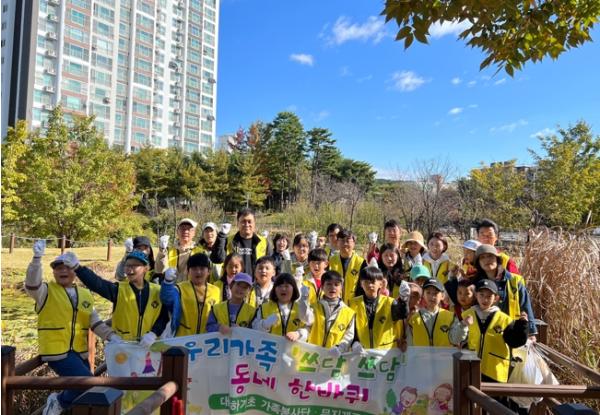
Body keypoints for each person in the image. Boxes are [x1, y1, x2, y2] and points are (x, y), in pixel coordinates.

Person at [25, 241, 118, 415]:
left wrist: (112, 336)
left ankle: (62, 403)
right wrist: (36, 260)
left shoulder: (85, 294)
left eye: (67, 267)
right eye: (58, 268)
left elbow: (95, 322)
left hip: (79, 352)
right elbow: (31, 284)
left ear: (75, 271)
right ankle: (59, 401)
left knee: (84, 391)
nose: (63, 271)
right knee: (88, 383)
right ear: (53, 272)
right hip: (57, 351)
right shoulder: (45, 291)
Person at [68, 250, 169, 345]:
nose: (129, 269)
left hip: (149, 346)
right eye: (127, 265)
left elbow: (164, 316)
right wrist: (78, 268)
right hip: (123, 346)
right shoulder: (119, 289)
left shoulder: (158, 291)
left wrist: (153, 333)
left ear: (146, 268)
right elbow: (97, 284)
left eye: (134, 265)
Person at [462, 279, 529, 384]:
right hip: (471, 369)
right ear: (476, 295)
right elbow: (458, 339)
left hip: (495, 372)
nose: (485, 299)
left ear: (496, 298)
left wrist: (522, 325)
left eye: (489, 296)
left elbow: (515, 341)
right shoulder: (467, 315)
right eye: (481, 295)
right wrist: (463, 325)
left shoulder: (504, 319)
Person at [474, 244, 537, 340]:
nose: (487, 260)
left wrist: (531, 332)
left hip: (510, 332)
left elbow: (525, 306)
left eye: (490, 256)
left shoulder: (514, 280)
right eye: (482, 257)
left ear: (497, 259)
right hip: (484, 335)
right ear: (478, 263)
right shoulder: (475, 282)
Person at [160, 253, 220, 337]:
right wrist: (167, 282)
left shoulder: (216, 291)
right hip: (183, 339)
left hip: (207, 340)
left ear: (209, 271)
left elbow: (219, 315)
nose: (198, 272)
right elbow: (167, 298)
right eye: (194, 269)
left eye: (202, 268)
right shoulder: (179, 289)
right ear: (188, 271)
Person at [349, 266, 409, 350]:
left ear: (380, 284)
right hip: (362, 352)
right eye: (366, 282)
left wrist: (403, 300)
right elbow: (350, 329)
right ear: (361, 284)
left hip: (386, 353)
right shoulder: (352, 304)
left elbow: (402, 314)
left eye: (373, 281)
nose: (370, 285)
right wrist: (354, 343)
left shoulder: (390, 302)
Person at [306, 270, 356, 353]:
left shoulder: (349, 313)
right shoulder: (313, 308)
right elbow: (306, 328)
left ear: (341, 288)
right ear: (322, 287)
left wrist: (340, 348)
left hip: (334, 357)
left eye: (336, 285)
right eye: (329, 284)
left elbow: (349, 336)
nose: (333, 287)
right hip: (312, 355)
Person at [211, 208, 272, 275]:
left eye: (249, 221)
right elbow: (217, 259)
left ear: (254, 223)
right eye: (243, 221)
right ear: (237, 223)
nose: (246, 224)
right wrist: (221, 236)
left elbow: (270, 266)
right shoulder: (227, 241)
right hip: (233, 281)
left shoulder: (264, 242)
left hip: (256, 281)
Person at [407, 278, 465, 347]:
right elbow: (409, 342)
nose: (432, 296)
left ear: (442, 296)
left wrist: (463, 325)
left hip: (443, 354)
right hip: (420, 354)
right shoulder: (414, 318)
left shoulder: (450, 317)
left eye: (435, 293)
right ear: (423, 294)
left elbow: (455, 339)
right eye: (428, 292)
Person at [252, 273, 310, 342]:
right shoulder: (264, 307)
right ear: (274, 289)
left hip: (293, 348)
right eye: (279, 286)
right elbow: (254, 329)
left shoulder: (301, 308)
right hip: (270, 347)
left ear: (293, 289)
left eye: (287, 286)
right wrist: (264, 324)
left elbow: (309, 328)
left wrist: (298, 334)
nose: (283, 289)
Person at [329, 229, 367, 303]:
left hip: (355, 304)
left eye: (348, 241)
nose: (345, 244)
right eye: (342, 240)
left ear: (354, 243)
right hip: (334, 303)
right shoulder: (331, 261)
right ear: (337, 242)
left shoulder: (361, 262)